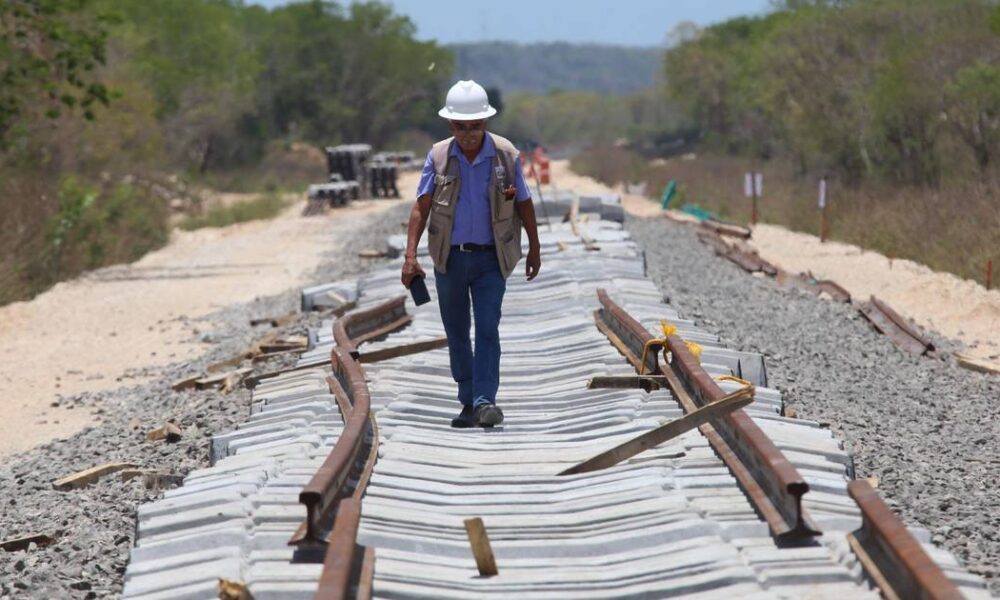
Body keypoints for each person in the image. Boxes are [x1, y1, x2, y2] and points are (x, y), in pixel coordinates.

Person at [400, 79, 541, 428]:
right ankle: (468, 400)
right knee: (458, 330)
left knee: (488, 327)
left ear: (485, 123)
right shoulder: (438, 156)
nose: (469, 134)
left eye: (475, 127)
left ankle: (485, 401)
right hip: (450, 258)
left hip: (491, 259)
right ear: (451, 125)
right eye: (461, 128)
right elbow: (422, 207)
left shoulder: (506, 155)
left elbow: (523, 202)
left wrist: (535, 248)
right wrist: (410, 256)